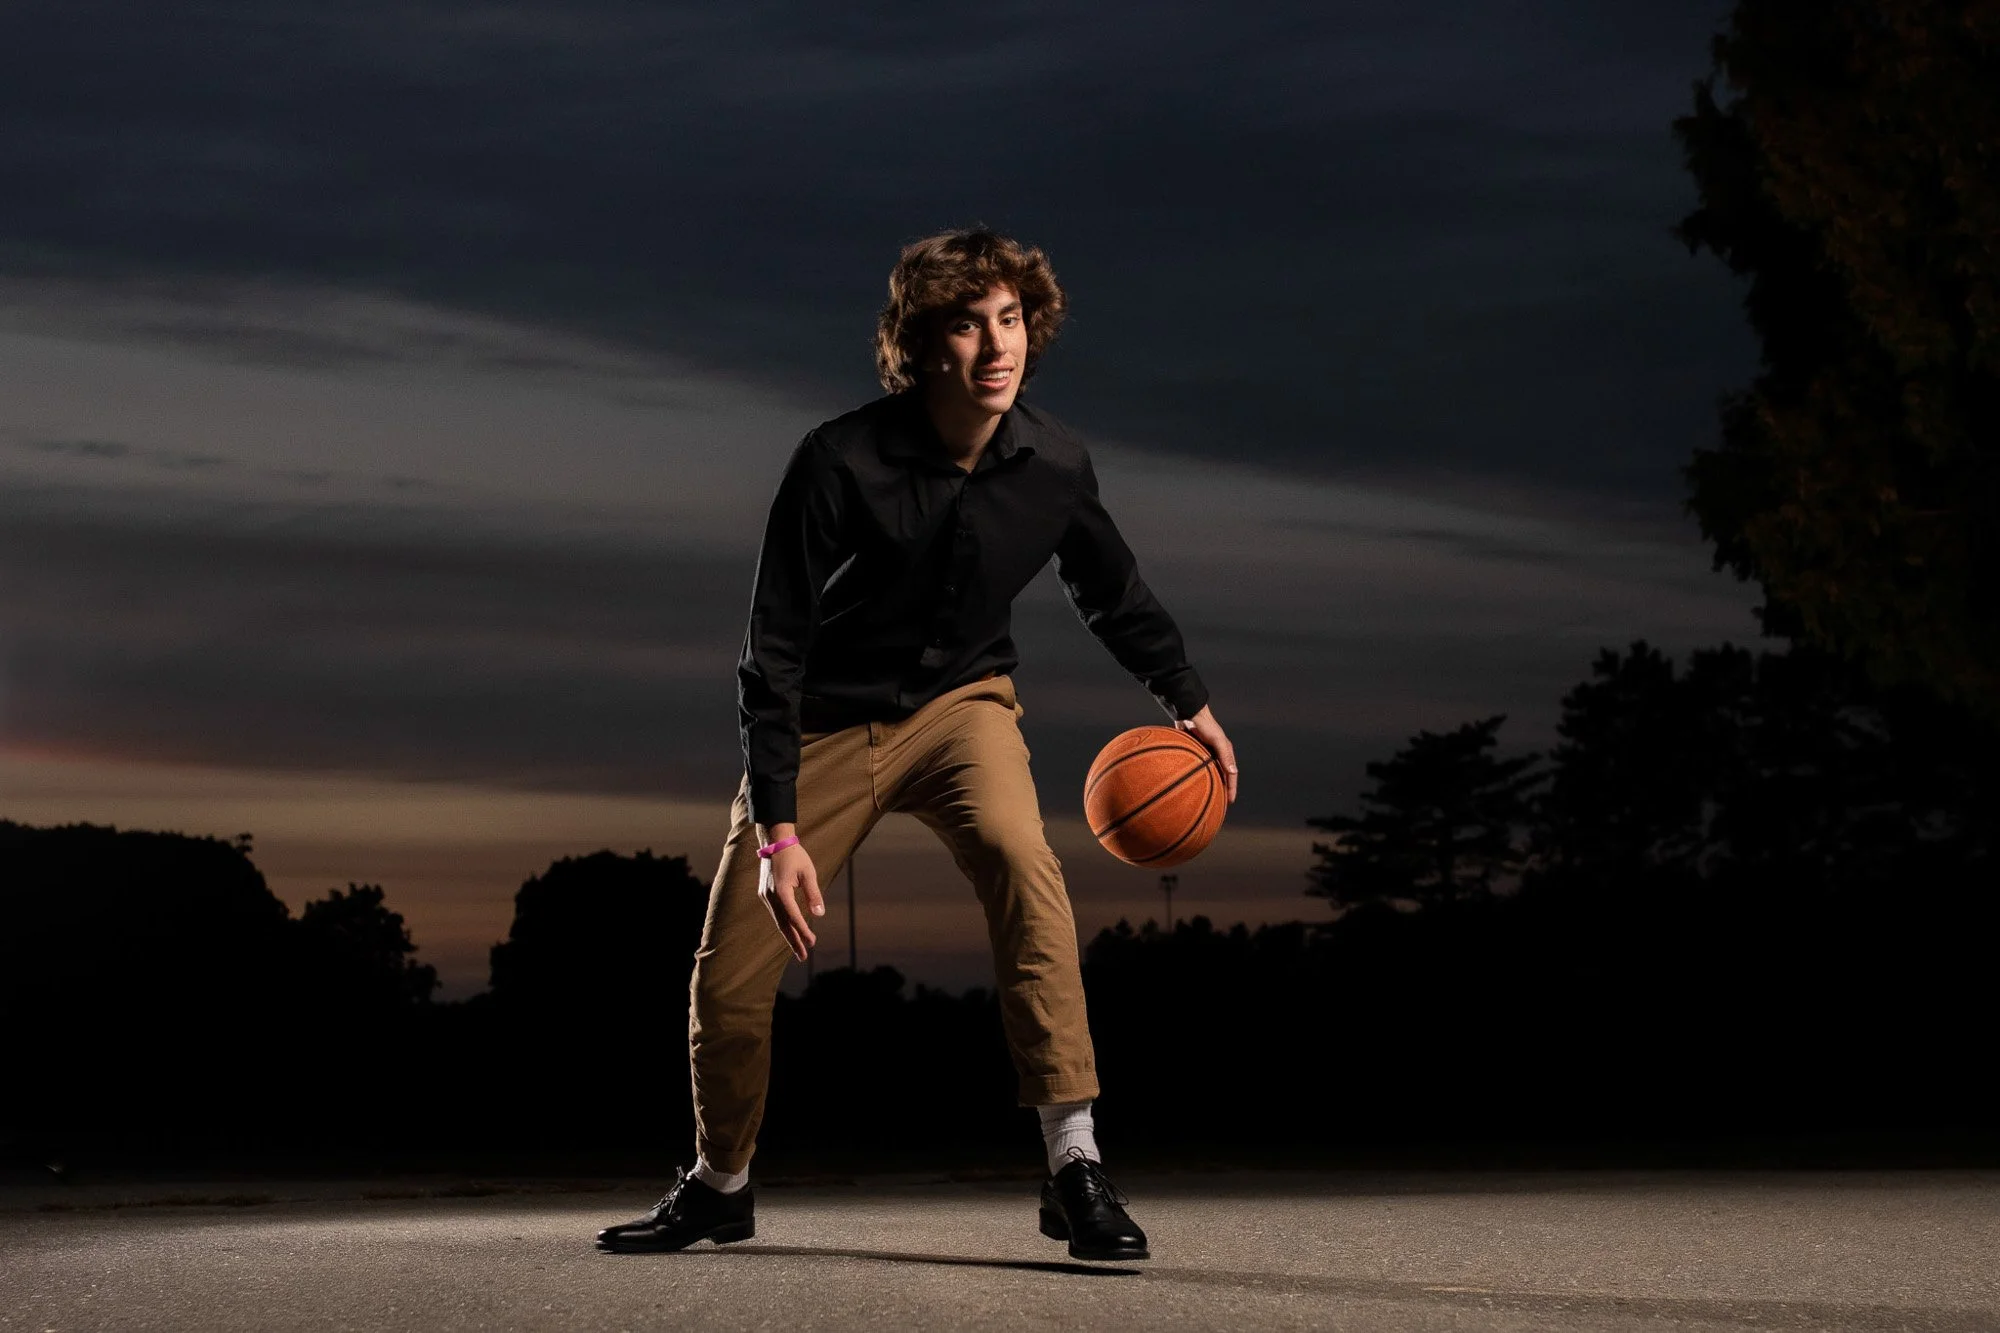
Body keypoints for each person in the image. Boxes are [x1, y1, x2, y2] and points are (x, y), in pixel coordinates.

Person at [597, 228, 1238, 1261]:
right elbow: (772, 653)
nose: (997, 345)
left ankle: (1074, 1164)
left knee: (1025, 864)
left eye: (1011, 318)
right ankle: (720, 1183)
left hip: (962, 707)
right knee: (728, 974)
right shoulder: (837, 462)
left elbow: (1112, 591)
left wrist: (1187, 699)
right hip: (822, 720)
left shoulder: (1057, 464)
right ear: (917, 344)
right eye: (965, 322)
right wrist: (776, 832)